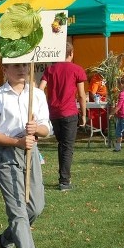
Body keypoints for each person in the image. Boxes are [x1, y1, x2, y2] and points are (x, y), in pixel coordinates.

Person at [0, 63, 53, 248]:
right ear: (5, 69)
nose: (22, 69)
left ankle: (6, 239)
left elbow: (47, 128)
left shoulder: (37, 95)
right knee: (18, 211)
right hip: (6, 154)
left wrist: (37, 130)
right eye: (16, 66)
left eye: (25, 65)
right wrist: (17, 141)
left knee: (35, 207)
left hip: (31, 151)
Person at [39, 42, 87, 191]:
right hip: (69, 112)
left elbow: (40, 89)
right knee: (67, 147)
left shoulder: (50, 69)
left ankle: (63, 176)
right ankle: (64, 181)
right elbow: (81, 95)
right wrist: (84, 114)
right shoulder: (77, 69)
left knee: (62, 145)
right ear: (71, 53)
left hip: (54, 113)